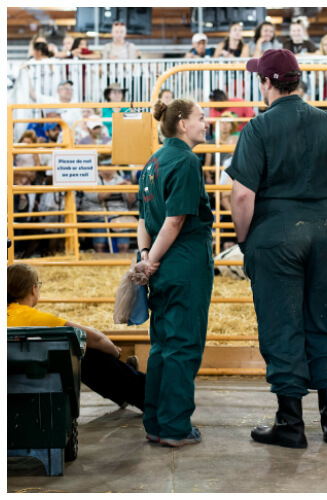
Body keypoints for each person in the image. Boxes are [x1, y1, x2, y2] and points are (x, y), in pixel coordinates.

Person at [226, 49, 327, 448]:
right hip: (325, 231)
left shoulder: (258, 128)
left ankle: (290, 424)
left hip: (275, 234)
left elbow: (241, 196)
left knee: (281, 324)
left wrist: (244, 238)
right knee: (322, 322)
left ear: (267, 82)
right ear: (298, 80)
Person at [131, 98, 216, 447]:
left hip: (161, 267)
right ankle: (175, 427)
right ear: (182, 123)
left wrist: (146, 256)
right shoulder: (184, 161)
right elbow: (176, 219)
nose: (205, 122)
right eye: (200, 117)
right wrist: (151, 260)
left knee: (162, 344)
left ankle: (155, 421)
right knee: (183, 346)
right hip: (184, 264)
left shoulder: (153, 162)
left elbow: (142, 220)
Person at [8, 263, 146, 409]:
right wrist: (114, 352)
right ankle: (146, 394)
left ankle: (123, 388)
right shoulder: (38, 319)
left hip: (11, 374)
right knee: (85, 354)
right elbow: (96, 338)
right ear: (33, 289)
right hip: (37, 376)